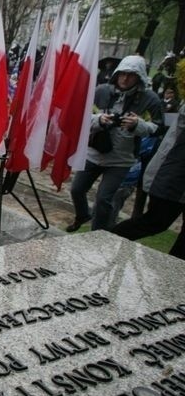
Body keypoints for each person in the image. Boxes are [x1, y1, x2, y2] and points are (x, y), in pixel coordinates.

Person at [66, 54, 162, 232]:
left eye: (131, 75)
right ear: (117, 73)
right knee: (76, 190)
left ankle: (97, 234)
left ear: (139, 77)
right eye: (122, 73)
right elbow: (80, 115)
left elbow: (158, 127)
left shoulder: (151, 100)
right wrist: (99, 120)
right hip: (94, 153)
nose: (125, 78)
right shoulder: (101, 91)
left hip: (121, 159)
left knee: (104, 198)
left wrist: (138, 125)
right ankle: (83, 214)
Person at [110, 98, 185, 259]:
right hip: (173, 176)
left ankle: (174, 276)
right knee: (154, 222)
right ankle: (103, 243)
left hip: (175, 177)